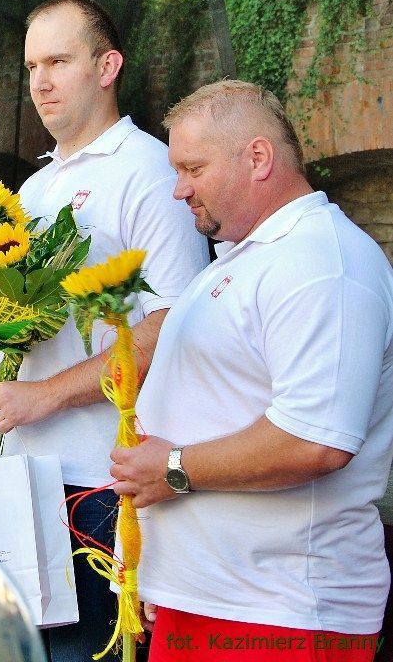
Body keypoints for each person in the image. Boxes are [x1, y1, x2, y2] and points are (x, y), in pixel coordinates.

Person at [0, 0, 209, 662]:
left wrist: (49, 396)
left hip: (97, 485)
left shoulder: (149, 172)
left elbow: (173, 328)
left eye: (58, 61)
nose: (40, 82)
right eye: (32, 66)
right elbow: (9, 335)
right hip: (14, 480)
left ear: (107, 66)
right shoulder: (33, 190)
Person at [110, 80, 393, 661]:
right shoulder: (246, 258)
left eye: (193, 168)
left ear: (258, 158)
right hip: (212, 600)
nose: (179, 189)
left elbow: (314, 441)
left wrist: (173, 470)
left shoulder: (322, 263)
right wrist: (158, 566)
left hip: (281, 614)